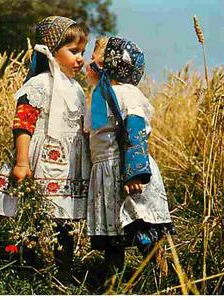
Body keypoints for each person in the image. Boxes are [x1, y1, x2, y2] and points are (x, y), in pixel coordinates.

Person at [0, 16, 90, 283]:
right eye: (73, 51)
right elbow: (23, 124)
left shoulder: (75, 89)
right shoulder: (39, 84)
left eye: (83, 53)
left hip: (66, 167)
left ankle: (63, 271)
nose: (80, 59)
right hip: (41, 161)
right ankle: (25, 267)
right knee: (34, 215)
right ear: (51, 50)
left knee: (63, 219)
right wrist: (21, 162)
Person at [84, 36, 175, 281]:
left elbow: (134, 129)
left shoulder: (126, 94)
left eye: (96, 60)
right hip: (105, 173)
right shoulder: (98, 96)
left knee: (141, 226)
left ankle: (163, 278)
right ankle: (114, 283)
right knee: (113, 234)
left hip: (125, 171)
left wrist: (134, 172)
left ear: (110, 64)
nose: (89, 64)